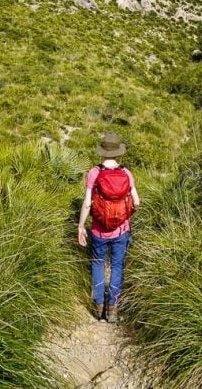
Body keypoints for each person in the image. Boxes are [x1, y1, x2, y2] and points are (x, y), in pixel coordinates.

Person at [77, 132, 140, 323]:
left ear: (102, 151)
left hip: (98, 230)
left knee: (97, 263)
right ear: (118, 152)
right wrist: (124, 216)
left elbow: (88, 203)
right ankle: (112, 308)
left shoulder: (94, 172)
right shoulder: (126, 173)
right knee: (117, 266)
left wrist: (80, 226)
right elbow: (136, 202)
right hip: (122, 230)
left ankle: (98, 307)